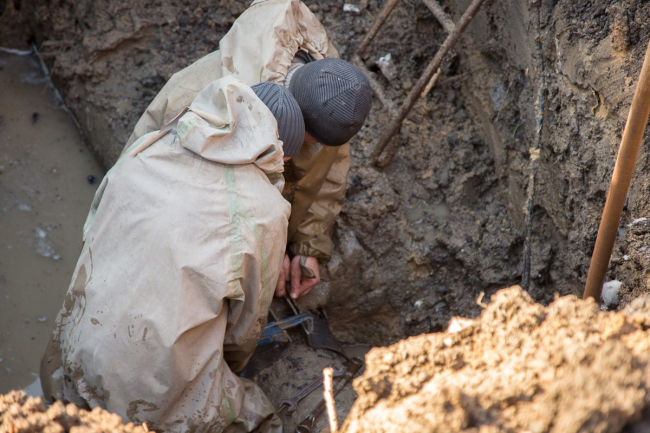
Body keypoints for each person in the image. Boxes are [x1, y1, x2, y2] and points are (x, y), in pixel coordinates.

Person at [40, 78, 305, 433]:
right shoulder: (266, 211)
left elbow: (91, 234)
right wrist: (222, 365)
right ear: (277, 151)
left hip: (69, 356)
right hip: (142, 396)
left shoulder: (148, 147)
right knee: (259, 418)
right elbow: (244, 331)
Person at [123, 0, 372, 301]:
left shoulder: (334, 94)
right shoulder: (203, 108)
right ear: (293, 121)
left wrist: (308, 244)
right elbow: (174, 200)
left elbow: (331, 170)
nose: (318, 148)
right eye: (311, 142)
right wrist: (264, 251)